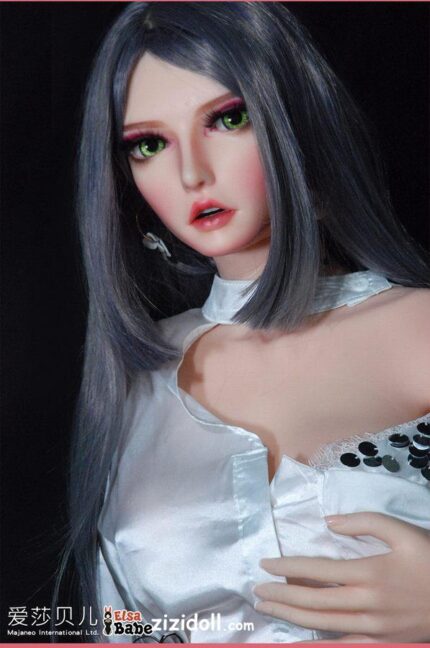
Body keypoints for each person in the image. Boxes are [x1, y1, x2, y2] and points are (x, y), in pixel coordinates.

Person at [55, 2, 430, 643]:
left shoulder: (415, 330)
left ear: (293, 121)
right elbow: (119, 622)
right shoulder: (135, 382)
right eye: (149, 145)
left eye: (229, 118)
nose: (191, 173)